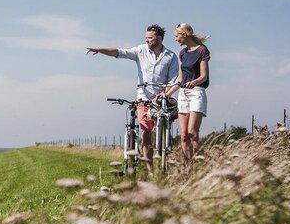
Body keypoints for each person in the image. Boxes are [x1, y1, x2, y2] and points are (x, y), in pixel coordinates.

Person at [86, 24, 179, 168]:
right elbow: (119, 52)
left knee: (164, 130)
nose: (147, 40)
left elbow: (173, 80)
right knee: (146, 132)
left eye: (150, 38)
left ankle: (164, 162)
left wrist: (165, 94)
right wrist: (100, 50)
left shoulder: (171, 56)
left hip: (162, 98)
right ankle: (149, 169)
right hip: (144, 98)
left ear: (159, 38)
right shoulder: (140, 50)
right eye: (146, 38)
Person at [164, 23, 211, 162]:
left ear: (184, 35)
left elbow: (204, 76)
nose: (175, 39)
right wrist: (167, 93)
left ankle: (199, 163)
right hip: (183, 94)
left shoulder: (202, 50)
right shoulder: (183, 53)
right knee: (184, 135)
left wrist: (194, 82)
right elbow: (180, 79)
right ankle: (188, 166)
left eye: (177, 36)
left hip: (196, 92)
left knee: (192, 133)